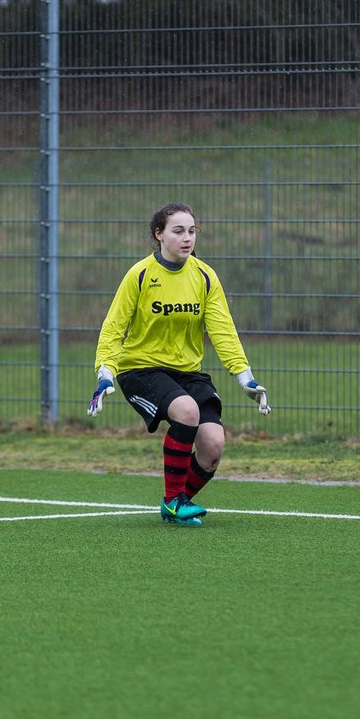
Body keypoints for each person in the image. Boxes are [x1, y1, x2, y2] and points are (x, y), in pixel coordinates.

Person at [88, 202, 271, 526]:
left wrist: (245, 377)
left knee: (213, 446)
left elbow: (223, 331)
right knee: (187, 411)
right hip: (141, 369)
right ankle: (174, 501)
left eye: (192, 231)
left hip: (187, 373)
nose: (187, 238)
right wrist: (106, 374)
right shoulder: (140, 274)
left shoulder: (204, 276)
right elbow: (113, 328)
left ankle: (176, 501)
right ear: (158, 234)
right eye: (178, 231)